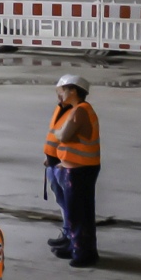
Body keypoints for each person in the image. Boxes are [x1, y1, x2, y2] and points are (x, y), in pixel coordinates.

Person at [45, 73, 101, 268]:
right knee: (76, 213)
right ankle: (75, 246)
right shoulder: (77, 110)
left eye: (61, 91)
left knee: (79, 215)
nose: (59, 96)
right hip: (75, 170)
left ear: (73, 91)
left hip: (80, 172)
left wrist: (60, 133)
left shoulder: (80, 112)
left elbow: (63, 135)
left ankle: (84, 252)